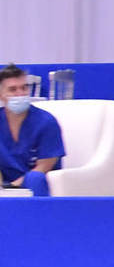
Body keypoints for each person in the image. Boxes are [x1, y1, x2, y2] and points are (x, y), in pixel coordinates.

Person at [0, 65, 64, 196]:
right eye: (13, 90)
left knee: (34, 178)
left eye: (24, 88)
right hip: (4, 182)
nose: (20, 94)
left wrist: (13, 187)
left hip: (36, 180)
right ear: (1, 95)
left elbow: (45, 165)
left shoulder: (46, 121)